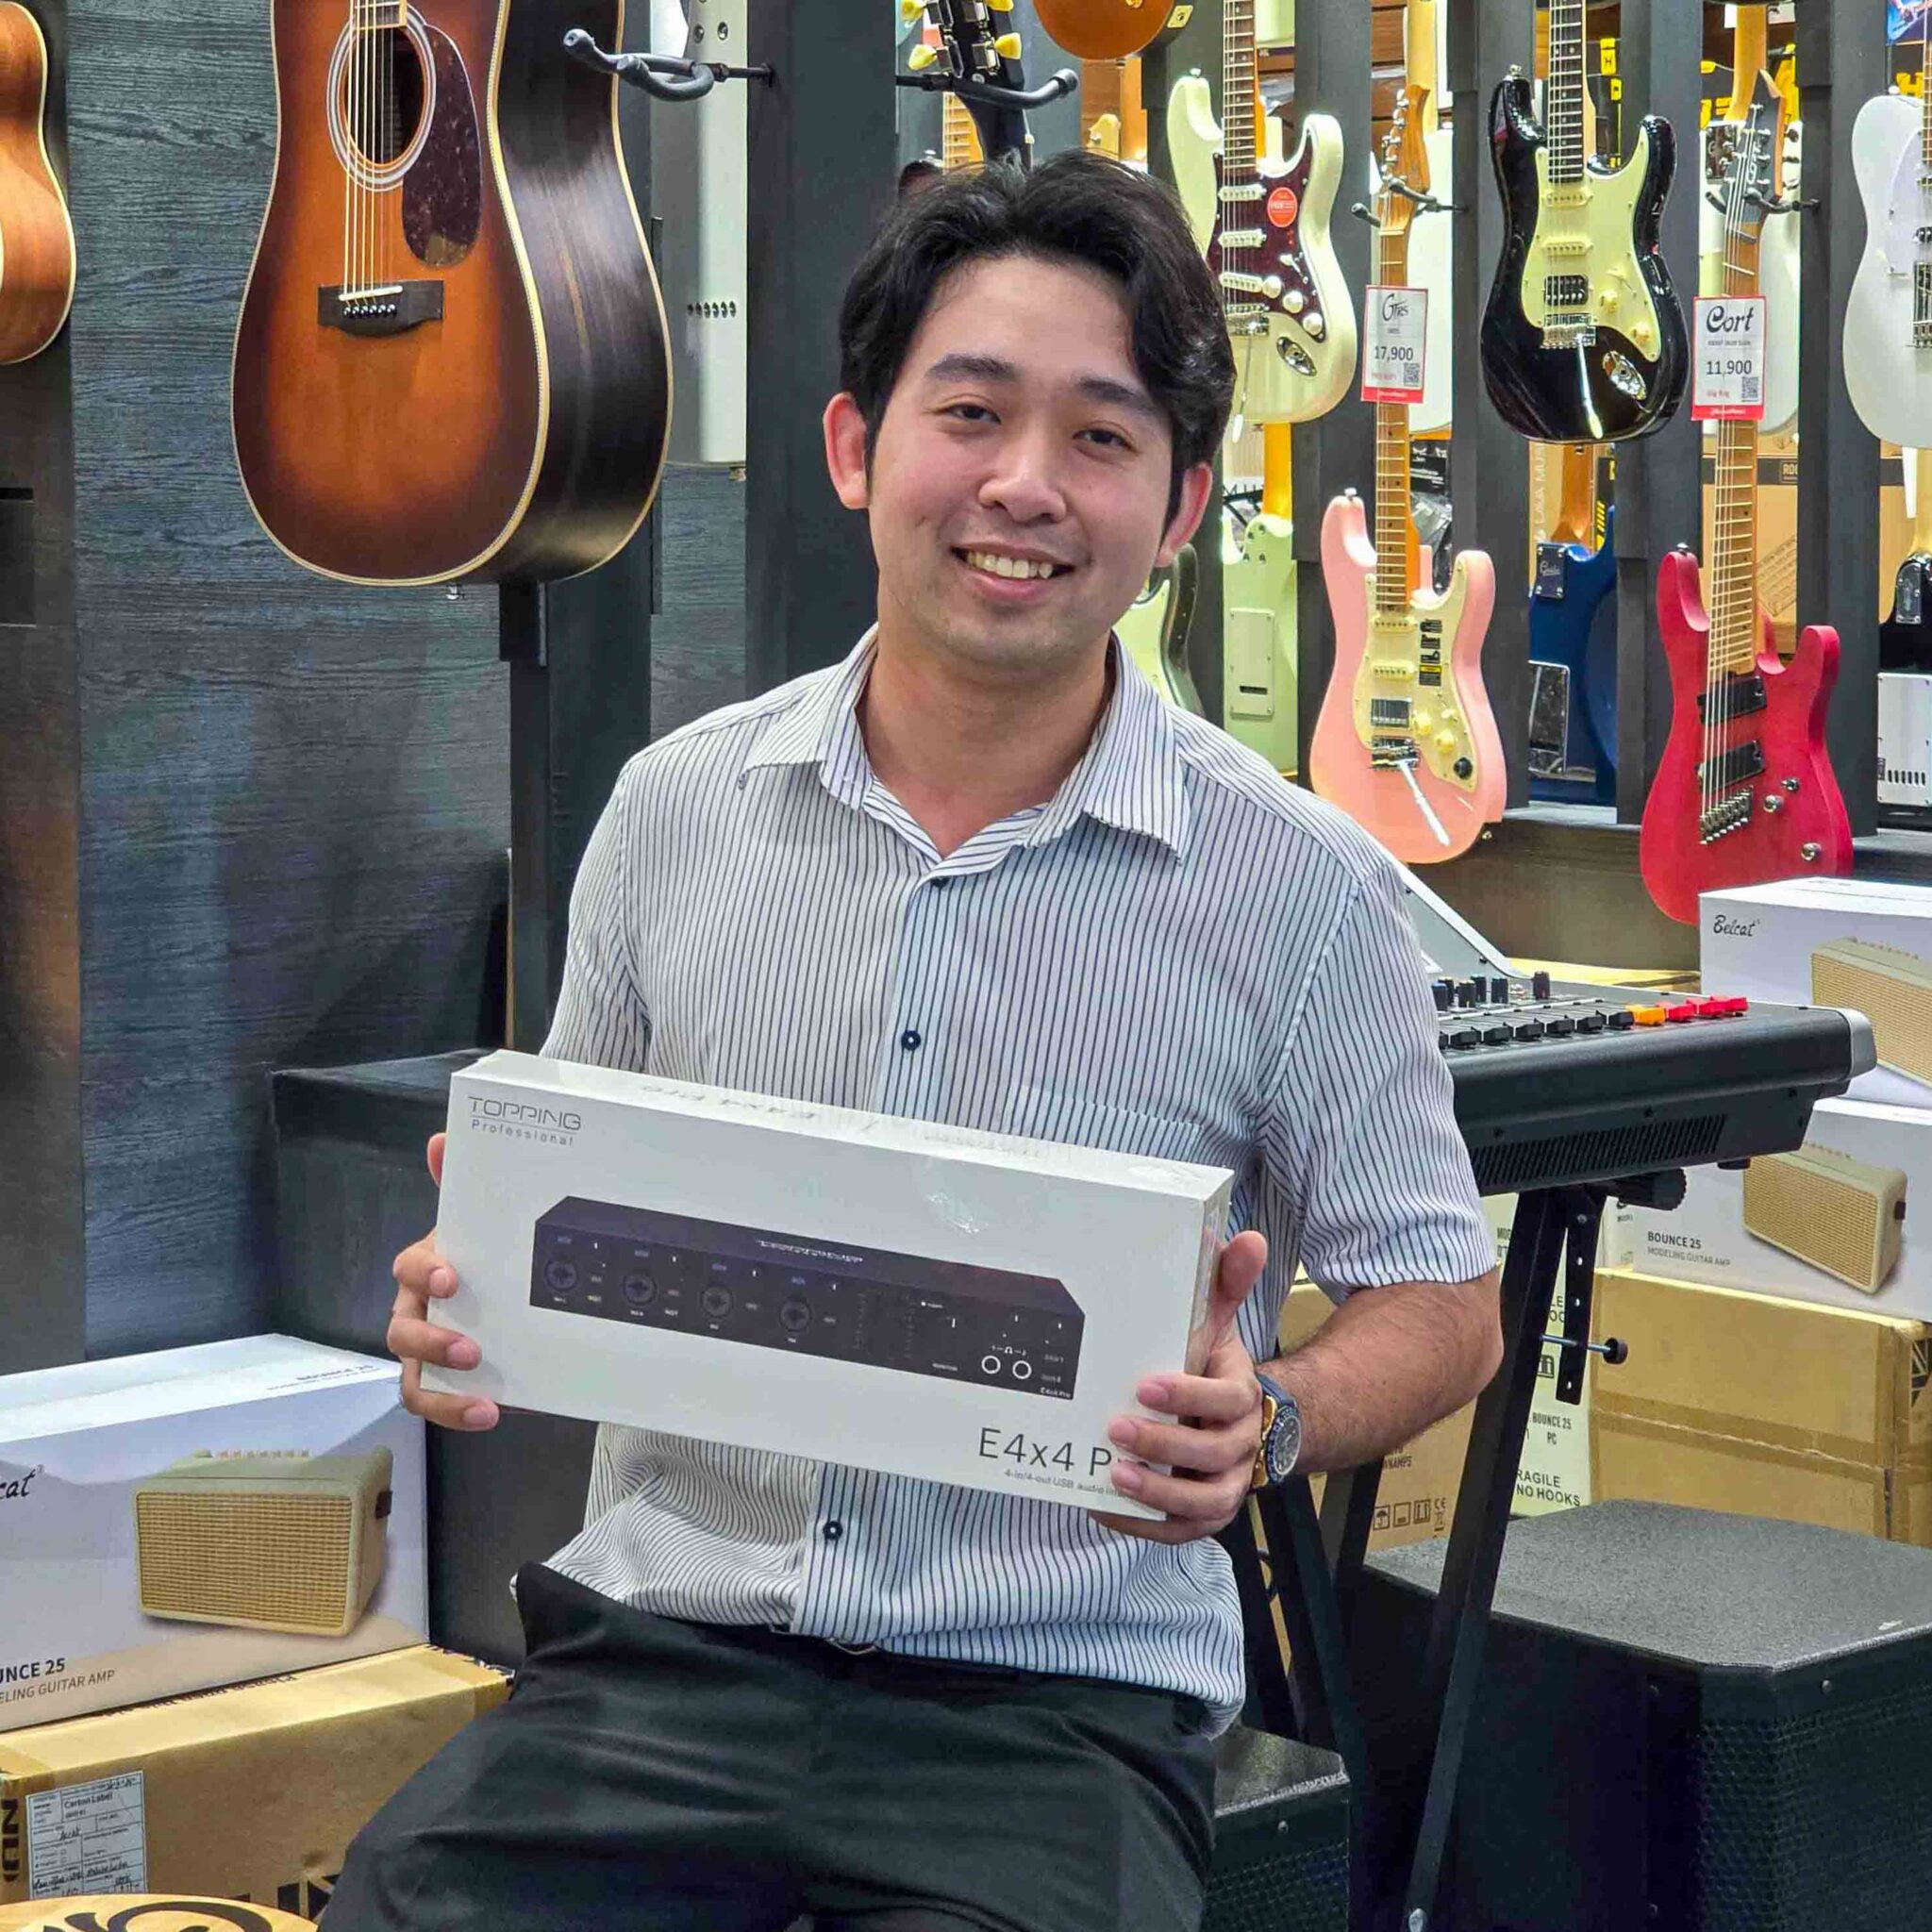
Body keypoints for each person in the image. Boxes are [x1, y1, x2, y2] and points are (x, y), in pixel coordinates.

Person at [335, 152, 1502, 1932]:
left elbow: (1443, 1304)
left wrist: (1265, 1420)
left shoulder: (1304, 889)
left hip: (1054, 1710)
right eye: (970, 412)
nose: (1024, 485)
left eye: (1101, 437)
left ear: (1181, 509)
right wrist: (470, 1291)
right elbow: (565, 1210)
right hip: (662, 1658)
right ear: (854, 447)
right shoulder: (672, 814)